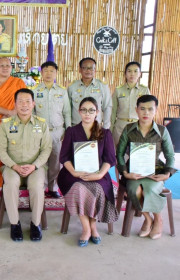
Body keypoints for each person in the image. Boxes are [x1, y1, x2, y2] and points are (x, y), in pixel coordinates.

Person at [57, 97, 118, 247]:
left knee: (97, 188)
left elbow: (109, 159)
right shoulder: (71, 131)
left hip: (98, 174)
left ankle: (93, 227)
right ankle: (86, 229)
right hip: (73, 174)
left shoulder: (105, 133)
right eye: (83, 110)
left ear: (97, 112)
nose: (87, 114)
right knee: (79, 188)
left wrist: (99, 175)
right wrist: (75, 173)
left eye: (91, 110)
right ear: (79, 112)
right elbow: (64, 157)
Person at [116, 95, 176, 240]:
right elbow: (119, 153)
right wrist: (125, 173)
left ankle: (158, 219)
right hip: (134, 172)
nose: (146, 113)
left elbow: (170, 155)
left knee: (149, 190)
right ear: (136, 110)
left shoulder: (162, 131)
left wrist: (167, 174)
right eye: (142, 109)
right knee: (136, 190)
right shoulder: (129, 129)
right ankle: (149, 219)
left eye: (150, 109)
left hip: (154, 172)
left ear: (156, 110)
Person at [0, 88, 51, 242]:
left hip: (35, 167)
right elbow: (1, 150)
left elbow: (46, 149)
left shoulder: (42, 124)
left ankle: (35, 224)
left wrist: (34, 166)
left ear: (33, 104)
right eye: (20, 101)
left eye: (28, 101)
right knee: (11, 184)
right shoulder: (6, 125)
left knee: (36, 186)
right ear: (15, 104)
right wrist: (14, 166)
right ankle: (15, 224)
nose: (24, 105)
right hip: (12, 166)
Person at [0, 57, 26, 193]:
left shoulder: (18, 82)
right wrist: (9, 112)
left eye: (8, 65)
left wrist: (15, 113)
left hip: (16, 123)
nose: (5, 67)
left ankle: (13, 183)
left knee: (15, 152)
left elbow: (25, 101)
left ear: (11, 68)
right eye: (2, 65)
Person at [33, 61, 71, 198]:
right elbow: (32, 113)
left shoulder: (62, 91)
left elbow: (67, 112)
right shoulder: (35, 91)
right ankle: (41, 187)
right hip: (40, 131)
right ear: (41, 73)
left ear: (56, 73)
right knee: (41, 160)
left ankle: (53, 187)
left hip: (58, 132)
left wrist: (68, 130)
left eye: (52, 71)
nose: (48, 73)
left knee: (56, 161)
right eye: (46, 71)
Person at [111, 61, 151, 145]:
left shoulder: (144, 90)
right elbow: (113, 110)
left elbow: (149, 110)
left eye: (135, 71)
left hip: (138, 126)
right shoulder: (118, 90)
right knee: (119, 153)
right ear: (125, 74)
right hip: (120, 127)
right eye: (129, 71)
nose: (132, 74)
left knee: (136, 153)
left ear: (140, 74)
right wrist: (111, 129)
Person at [68, 57, 112, 129]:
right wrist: (69, 128)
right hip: (76, 127)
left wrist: (106, 128)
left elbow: (107, 107)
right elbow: (68, 109)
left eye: (91, 68)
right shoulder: (72, 87)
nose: (88, 70)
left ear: (95, 70)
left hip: (96, 128)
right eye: (85, 68)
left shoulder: (102, 86)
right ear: (80, 70)